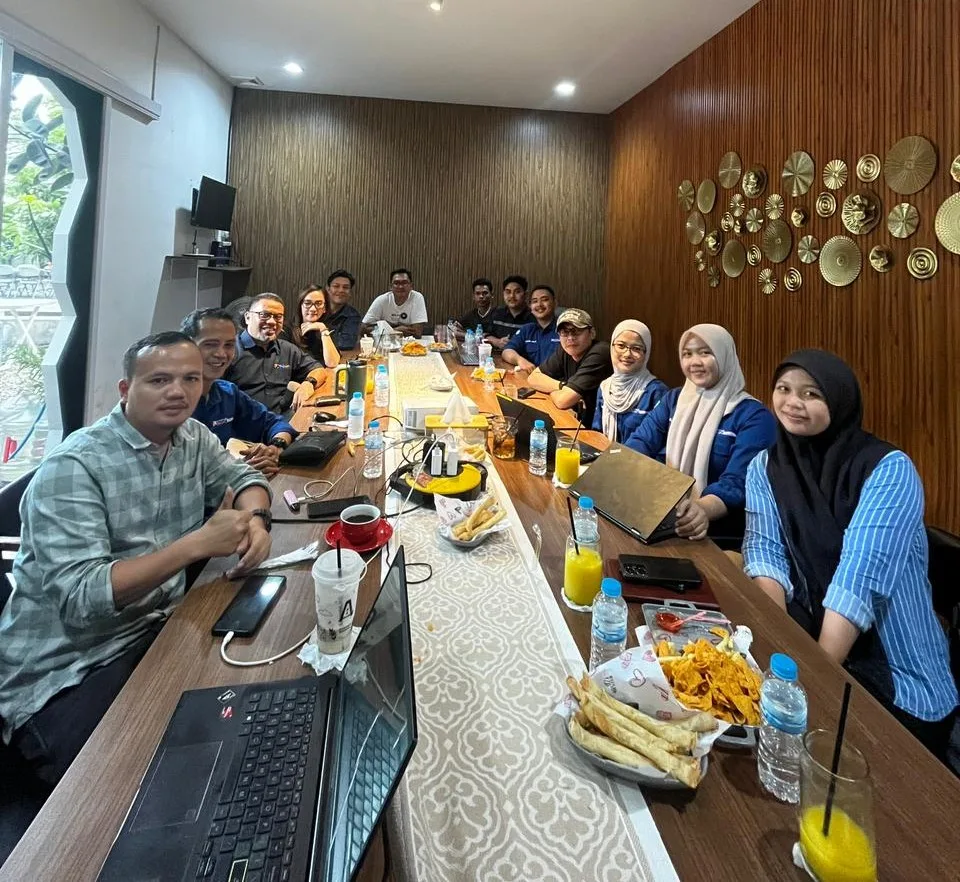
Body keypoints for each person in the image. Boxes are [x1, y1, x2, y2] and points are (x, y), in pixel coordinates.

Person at [0, 331, 273, 785]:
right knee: (141, 787)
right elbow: (83, 598)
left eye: (190, 379)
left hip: (154, 627)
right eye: (159, 380)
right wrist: (197, 544)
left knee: (246, 724)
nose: (178, 391)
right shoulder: (74, 467)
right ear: (126, 389)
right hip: (68, 669)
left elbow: (244, 477)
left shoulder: (192, 437)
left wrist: (257, 520)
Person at [743, 349, 958, 761]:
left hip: (898, 682)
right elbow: (765, 554)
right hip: (807, 647)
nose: (792, 402)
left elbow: (857, 585)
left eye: (811, 394)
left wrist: (812, 687)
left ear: (839, 400)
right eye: (783, 389)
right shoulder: (765, 467)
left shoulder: (888, 469)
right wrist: (775, 656)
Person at [623, 323, 776, 543]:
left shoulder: (754, 416)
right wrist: (617, 468)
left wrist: (701, 509)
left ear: (724, 356)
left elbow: (737, 482)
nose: (694, 362)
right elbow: (642, 441)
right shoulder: (674, 400)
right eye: (687, 354)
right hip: (666, 516)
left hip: (717, 532)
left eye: (705, 353)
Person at [182, 307, 297, 477]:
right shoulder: (170, 401)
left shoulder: (227, 393)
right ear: (186, 346)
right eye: (210, 344)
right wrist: (237, 472)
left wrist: (275, 448)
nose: (221, 354)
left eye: (229, 345)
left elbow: (274, 423)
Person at [225, 293, 326, 415]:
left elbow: (318, 369)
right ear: (247, 317)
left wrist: (309, 383)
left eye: (278, 317)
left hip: (280, 419)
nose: (272, 322)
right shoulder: (228, 351)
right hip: (242, 422)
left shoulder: (287, 349)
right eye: (264, 315)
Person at [525, 308, 612, 424]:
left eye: (576, 331)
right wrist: (562, 386)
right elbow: (533, 378)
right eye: (564, 332)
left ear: (592, 333)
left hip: (600, 428)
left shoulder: (600, 353)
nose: (570, 338)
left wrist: (553, 390)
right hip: (580, 421)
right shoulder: (566, 350)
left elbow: (563, 401)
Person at [592, 320, 669, 442]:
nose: (627, 354)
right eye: (621, 346)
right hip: (606, 453)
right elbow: (597, 434)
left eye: (636, 348)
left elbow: (660, 443)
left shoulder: (656, 392)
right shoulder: (606, 388)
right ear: (612, 347)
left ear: (646, 353)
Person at [501, 285, 560, 371]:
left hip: (556, 379)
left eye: (544, 300)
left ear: (555, 303)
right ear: (530, 307)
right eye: (535, 301)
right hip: (531, 377)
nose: (539, 304)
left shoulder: (564, 330)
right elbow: (506, 351)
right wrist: (520, 360)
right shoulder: (527, 330)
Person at [280, 284, 341, 366]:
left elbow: (332, 363)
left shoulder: (326, 329)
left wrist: (322, 329)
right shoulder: (286, 329)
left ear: (324, 308)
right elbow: (283, 364)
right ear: (300, 306)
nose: (313, 309)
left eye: (318, 303)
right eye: (307, 303)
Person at [361, 268, 428, 337]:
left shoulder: (417, 298)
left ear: (411, 286)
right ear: (391, 286)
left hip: (410, 343)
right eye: (396, 283)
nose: (400, 286)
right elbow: (363, 329)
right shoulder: (382, 300)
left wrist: (385, 326)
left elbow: (417, 333)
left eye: (404, 283)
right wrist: (394, 330)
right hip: (385, 342)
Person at [487, 275, 533, 349]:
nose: (512, 296)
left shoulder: (534, 317)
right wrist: (497, 342)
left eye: (517, 292)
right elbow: (486, 335)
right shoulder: (496, 313)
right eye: (508, 292)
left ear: (525, 294)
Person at [323, 269, 362, 350]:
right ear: (328, 289)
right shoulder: (316, 310)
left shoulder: (353, 316)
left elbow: (346, 344)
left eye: (345, 287)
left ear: (350, 292)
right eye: (336, 286)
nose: (341, 290)